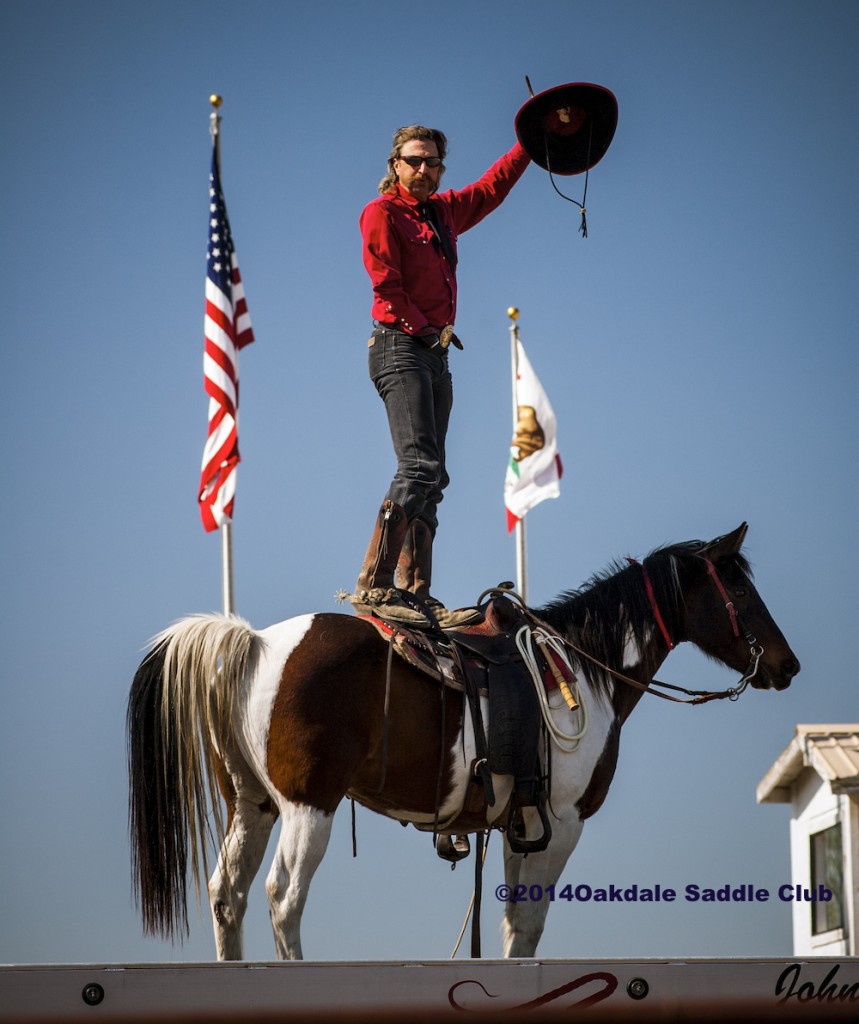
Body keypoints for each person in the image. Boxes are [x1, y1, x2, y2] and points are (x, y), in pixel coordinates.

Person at [350, 124, 530, 628]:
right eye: (414, 161)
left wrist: (530, 146)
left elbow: (491, 188)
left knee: (434, 475)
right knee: (418, 465)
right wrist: (422, 329)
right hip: (400, 345)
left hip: (433, 352)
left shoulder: (443, 212)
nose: (424, 170)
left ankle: (416, 593)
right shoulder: (381, 213)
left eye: (433, 163)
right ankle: (376, 584)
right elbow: (384, 282)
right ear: (395, 164)